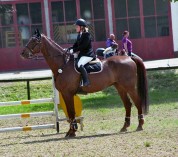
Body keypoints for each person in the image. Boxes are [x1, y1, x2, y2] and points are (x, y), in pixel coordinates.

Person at [68, 18, 95, 87]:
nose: (76, 28)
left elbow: (83, 46)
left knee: (80, 64)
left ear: (82, 27)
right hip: (82, 54)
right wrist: (69, 49)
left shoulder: (86, 35)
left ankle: (86, 81)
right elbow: (76, 44)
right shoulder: (79, 35)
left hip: (88, 54)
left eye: (77, 26)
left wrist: (74, 50)